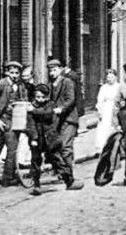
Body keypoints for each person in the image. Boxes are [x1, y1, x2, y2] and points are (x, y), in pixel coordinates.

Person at [0, 60, 28, 186]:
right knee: (12, 147)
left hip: (17, 119)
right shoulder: (0, 85)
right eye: (12, 73)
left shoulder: (21, 85)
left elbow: (24, 100)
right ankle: (7, 177)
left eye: (17, 73)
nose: (14, 75)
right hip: (4, 119)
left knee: (1, 143)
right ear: (6, 72)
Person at [47, 59, 84, 190]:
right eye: (50, 70)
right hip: (56, 120)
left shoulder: (67, 82)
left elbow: (71, 99)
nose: (52, 73)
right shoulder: (51, 84)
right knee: (55, 147)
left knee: (66, 147)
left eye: (54, 70)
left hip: (68, 119)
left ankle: (70, 177)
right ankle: (63, 173)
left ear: (60, 69)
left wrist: (61, 108)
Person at [25, 84, 61, 196]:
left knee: (54, 156)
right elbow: (30, 124)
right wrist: (34, 138)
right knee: (36, 160)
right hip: (37, 137)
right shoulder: (31, 106)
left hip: (49, 137)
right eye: (37, 97)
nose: (40, 99)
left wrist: (34, 111)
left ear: (46, 96)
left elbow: (48, 115)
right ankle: (36, 184)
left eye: (42, 97)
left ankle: (61, 173)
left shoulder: (50, 104)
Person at [95, 69, 120, 152]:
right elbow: (100, 100)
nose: (110, 79)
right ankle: (102, 147)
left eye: (112, 77)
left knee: (114, 128)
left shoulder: (119, 87)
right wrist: (100, 111)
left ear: (115, 77)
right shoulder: (104, 87)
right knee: (104, 127)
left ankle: (115, 148)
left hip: (116, 108)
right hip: (106, 109)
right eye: (108, 77)